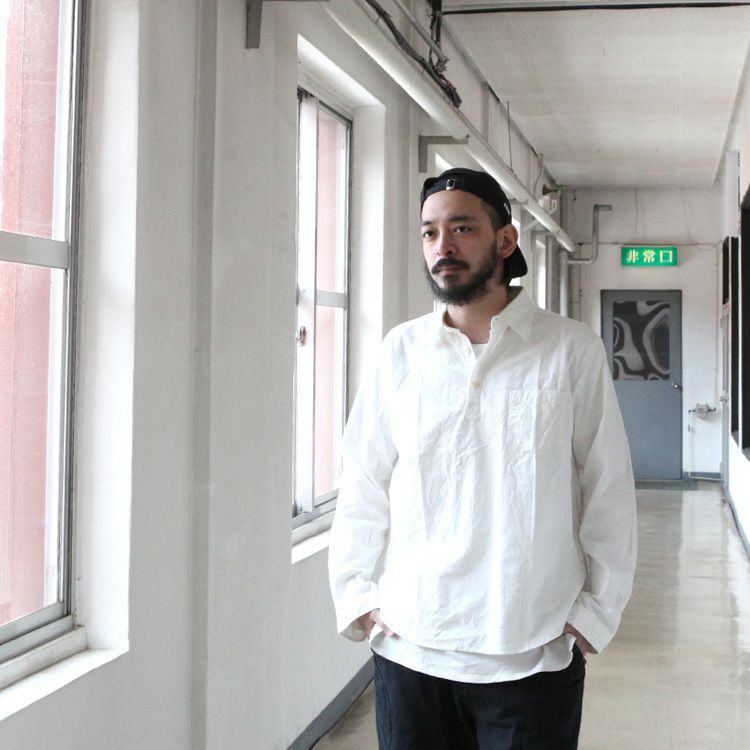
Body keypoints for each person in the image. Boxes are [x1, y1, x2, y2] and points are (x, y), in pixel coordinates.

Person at [328, 167, 637, 749]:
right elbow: (363, 480)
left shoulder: (569, 349)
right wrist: (358, 598)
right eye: (429, 232)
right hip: (412, 646)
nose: (442, 246)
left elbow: (608, 487)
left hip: (532, 650)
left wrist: (597, 612)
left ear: (505, 240)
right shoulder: (401, 352)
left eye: (462, 228)